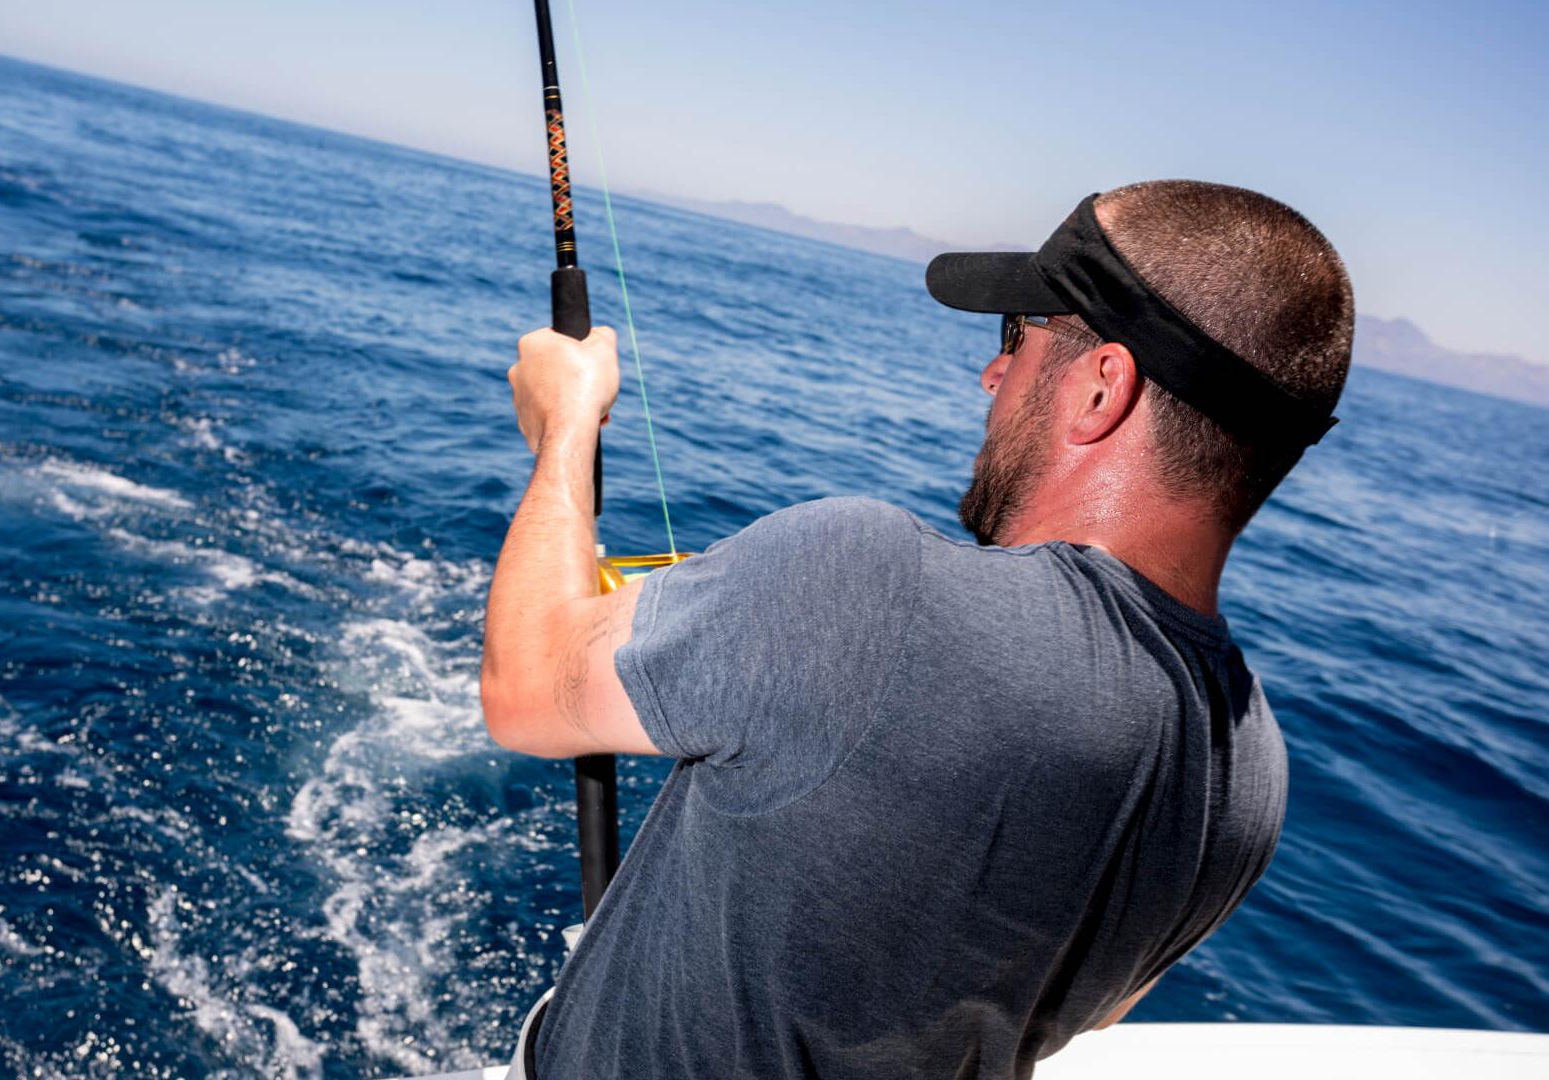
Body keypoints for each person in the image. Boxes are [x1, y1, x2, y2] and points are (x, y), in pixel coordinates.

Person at [480, 179, 1354, 1079]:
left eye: (1019, 336)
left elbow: (523, 688)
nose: (993, 372)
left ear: (1103, 389)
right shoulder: (1249, 782)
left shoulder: (867, 582)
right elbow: (1082, 1011)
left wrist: (566, 425)